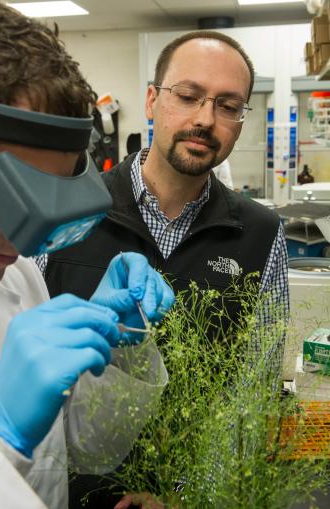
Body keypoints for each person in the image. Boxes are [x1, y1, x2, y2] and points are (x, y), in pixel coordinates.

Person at [0, 2, 175, 508]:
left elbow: (85, 451)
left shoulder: (16, 281)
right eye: (14, 198)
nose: (28, 243)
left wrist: (118, 348)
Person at [44, 30, 289, 509]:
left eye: (227, 105)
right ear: (153, 99)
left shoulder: (261, 235)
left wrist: (188, 498)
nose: (204, 119)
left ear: (241, 121)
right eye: (189, 96)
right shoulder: (69, 208)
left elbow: (250, 399)